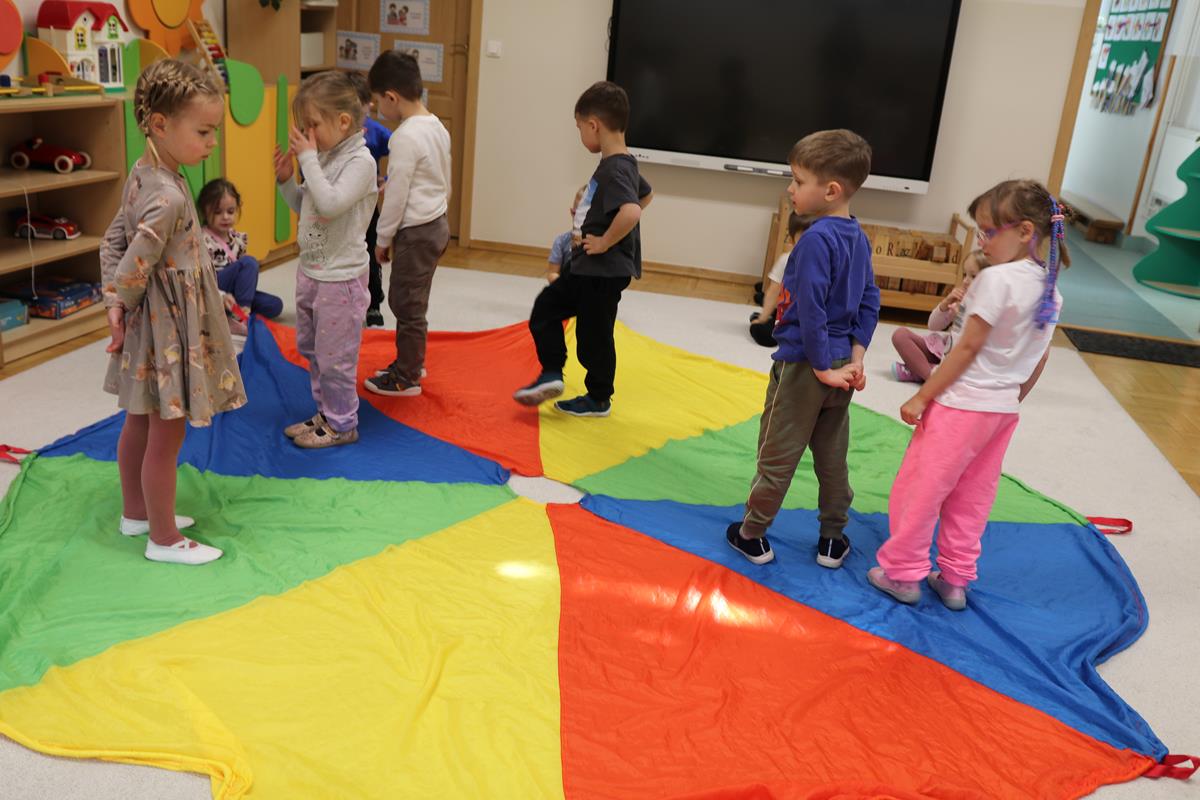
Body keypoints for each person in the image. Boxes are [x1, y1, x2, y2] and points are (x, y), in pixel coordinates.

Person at [869, 180, 1068, 611]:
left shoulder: (996, 280)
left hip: (960, 407)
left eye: (988, 232)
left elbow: (966, 348)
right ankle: (955, 579)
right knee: (972, 497)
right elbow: (1039, 358)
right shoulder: (1051, 288)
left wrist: (923, 397)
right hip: (1001, 412)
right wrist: (1011, 398)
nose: (981, 241)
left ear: (1025, 232)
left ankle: (903, 574)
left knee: (920, 491)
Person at [100, 59, 246, 565]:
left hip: (152, 323)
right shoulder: (166, 195)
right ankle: (162, 539)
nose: (212, 143)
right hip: (167, 331)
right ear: (160, 124)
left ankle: (136, 513)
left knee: (140, 422)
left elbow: (111, 242)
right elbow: (134, 262)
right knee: (168, 431)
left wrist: (116, 305)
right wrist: (119, 303)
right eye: (203, 132)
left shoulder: (145, 174)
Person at [724, 129, 879, 567]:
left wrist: (821, 367)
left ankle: (751, 534)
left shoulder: (814, 240)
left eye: (797, 180)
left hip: (806, 366)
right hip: (841, 366)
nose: (790, 189)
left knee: (777, 452)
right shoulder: (858, 235)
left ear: (830, 190)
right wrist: (855, 357)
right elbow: (870, 299)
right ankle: (833, 538)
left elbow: (811, 310)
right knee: (832, 458)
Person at [513, 81, 653, 417]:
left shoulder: (615, 167)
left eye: (579, 128)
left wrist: (605, 240)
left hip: (601, 271)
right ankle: (552, 372)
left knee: (594, 336)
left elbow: (632, 210)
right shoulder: (622, 163)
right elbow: (645, 195)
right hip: (588, 267)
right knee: (548, 308)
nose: (580, 135)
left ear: (594, 125)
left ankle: (598, 397)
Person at [273, 71, 378, 448]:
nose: (307, 135)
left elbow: (332, 204)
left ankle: (343, 423)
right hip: (313, 272)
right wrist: (287, 180)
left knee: (336, 359)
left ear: (343, 121)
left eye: (313, 125)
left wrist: (307, 159)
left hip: (341, 279)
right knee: (314, 350)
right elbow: (308, 205)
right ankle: (328, 413)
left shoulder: (361, 162)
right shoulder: (326, 157)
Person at [363, 51, 451, 396]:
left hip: (416, 230)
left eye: (376, 101)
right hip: (435, 223)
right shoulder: (436, 126)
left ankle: (407, 376)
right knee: (414, 298)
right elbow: (439, 177)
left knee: (405, 303)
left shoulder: (403, 137)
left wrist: (382, 239)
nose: (376, 108)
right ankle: (411, 360)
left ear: (391, 97)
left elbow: (397, 196)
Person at [197, 178, 285, 337]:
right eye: (217, 212)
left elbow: (244, 277)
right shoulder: (203, 240)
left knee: (274, 305)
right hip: (213, 289)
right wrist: (223, 295)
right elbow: (202, 278)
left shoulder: (238, 238)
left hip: (233, 294)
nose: (225, 217)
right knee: (249, 262)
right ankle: (241, 314)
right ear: (205, 212)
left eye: (230, 211)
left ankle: (231, 313)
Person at [890, 250, 988, 382]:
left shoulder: (988, 308)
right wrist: (945, 303)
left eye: (973, 276)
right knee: (900, 335)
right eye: (964, 275)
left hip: (964, 362)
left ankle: (924, 374)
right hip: (943, 351)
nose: (965, 281)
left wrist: (961, 319)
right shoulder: (961, 300)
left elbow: (972, 346)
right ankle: (930, 373)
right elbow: (933, 325)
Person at [347, 71, 392, 328]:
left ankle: (374, 302)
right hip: (340, 205)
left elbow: (401, 148)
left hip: (367, 205)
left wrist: (389, 178)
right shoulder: (332, 131)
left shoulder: (375, 131)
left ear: (368, 105)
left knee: (371, 249)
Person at [749, 212, 814, 347]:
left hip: (806, 318)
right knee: (767, 328)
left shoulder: (825, 262)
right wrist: (763, 318)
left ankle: (767, 313)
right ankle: (767, 314)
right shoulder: (787, 260)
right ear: (792, 238)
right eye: (804, 236)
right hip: (791, 312)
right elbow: (774, 291)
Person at [546, 184, 591, 284]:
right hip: (566, 287)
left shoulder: (599, 244)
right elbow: (552, 273)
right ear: (572, 212)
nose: (581, 220)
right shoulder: (561, 241)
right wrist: (565, 285)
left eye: (585, 216)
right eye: (577, 214)